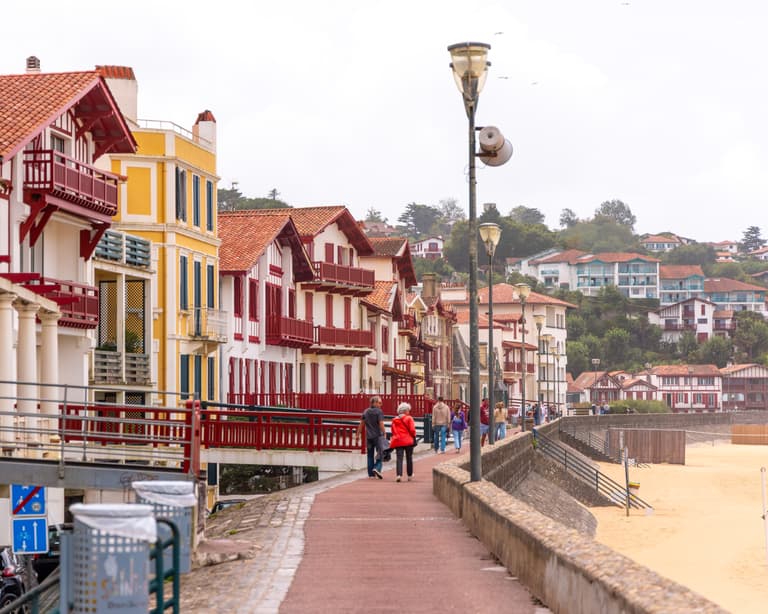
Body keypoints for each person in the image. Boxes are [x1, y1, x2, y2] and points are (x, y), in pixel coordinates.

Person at [357, 395, 385, 479]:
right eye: (380, 402)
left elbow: (361, 424)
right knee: (380, 453)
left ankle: (371, 475)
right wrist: (384, 432)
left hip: (369, 437)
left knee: (370, 455)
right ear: (375, 403)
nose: (381, 404)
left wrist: (357, 435)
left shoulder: (365, 411)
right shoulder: (379, 412)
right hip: (378, 436)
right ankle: (377, 468)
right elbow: (381, 423)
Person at [389, 402, 417, 481]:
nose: (409, 411)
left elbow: (393, 431)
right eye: (408, 410)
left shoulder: (394, 420)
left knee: (399, 458)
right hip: (408, 441)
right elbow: (412, 430)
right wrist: (414, 435)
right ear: (405, 411)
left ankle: (399, 475)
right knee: (409, 457)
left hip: (398, 441)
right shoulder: (409, 418)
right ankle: (409, 475)